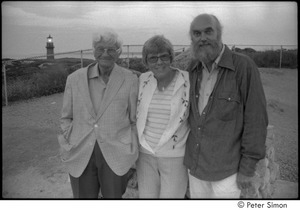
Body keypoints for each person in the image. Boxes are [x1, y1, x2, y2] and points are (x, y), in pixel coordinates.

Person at [184, 14, 268, 198]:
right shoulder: (192, 69)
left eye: (208, 31)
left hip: (227, 172)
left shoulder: (243, 67)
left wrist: (247, 168)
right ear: (192, 39)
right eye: (197, 33)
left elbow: (256, 119)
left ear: (219, 33)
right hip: (196, 168)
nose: (203, 38)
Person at [58, 29, 139, 198]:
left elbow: (134, 120)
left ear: (119, 52)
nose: (105, 53)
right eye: (101, 49)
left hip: (116, 153)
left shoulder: (130, 79)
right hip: (80, 151)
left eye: (111, 49)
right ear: (94, 51)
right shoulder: (74, 79)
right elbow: (66, 116)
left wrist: (129, 147)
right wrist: (69, 139)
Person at [136, 35, 190, 198]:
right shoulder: (143, 79)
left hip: (175, 155)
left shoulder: (187, 80)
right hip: (145, 153)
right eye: (153, 58)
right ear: (146, 61)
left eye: (163, 56)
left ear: (171, 57)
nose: (159, 62)